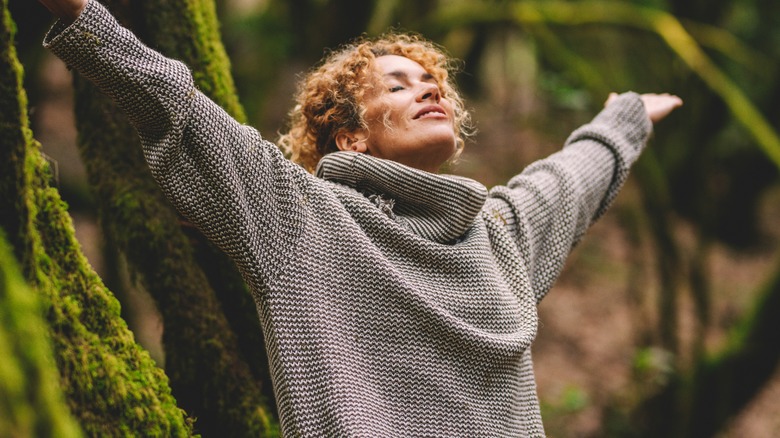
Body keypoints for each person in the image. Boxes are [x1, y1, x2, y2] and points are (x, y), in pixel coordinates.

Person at [39, 0, 683, 435]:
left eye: (432, 85)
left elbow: (568, 179)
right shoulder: (299, 219)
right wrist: (80, 15)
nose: (427, 89)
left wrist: (623, 119)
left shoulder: (499, 236)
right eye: (398, 85)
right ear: (350, 137)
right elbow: (177, 107)